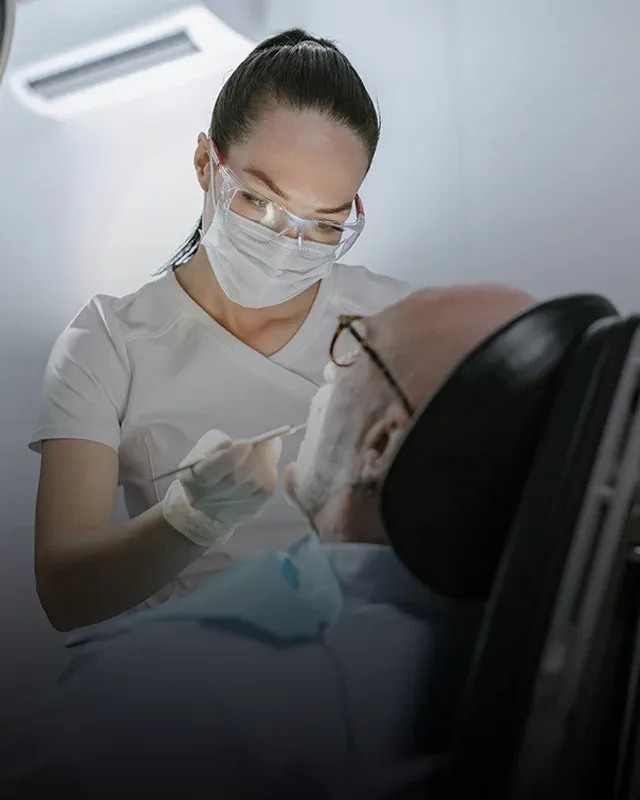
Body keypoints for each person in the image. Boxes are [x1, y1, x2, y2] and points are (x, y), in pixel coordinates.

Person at [1, 284, 536, 798]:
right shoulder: (517, 650)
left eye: (355, 347)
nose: (329, 364)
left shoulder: (153, 696)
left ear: (381, 442)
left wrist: (194, 519)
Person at [31, 28, 412, 632]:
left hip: (364, 664)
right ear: (208, 163)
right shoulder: (106, 342)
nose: (288, 248)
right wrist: (189, 520)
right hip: (188, 681)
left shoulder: (397, 324)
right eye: (261, 204)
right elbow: (64, 592)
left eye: (323, 226)